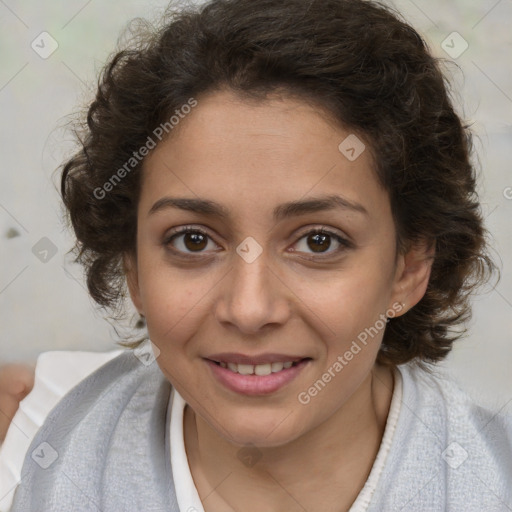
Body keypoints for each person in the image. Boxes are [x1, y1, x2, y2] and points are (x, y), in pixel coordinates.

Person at [5, 0, 512, 510]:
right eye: (193, 240)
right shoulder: (44, 445)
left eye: (319, 241)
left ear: (409, 268)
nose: (249, 309)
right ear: (133, 267)